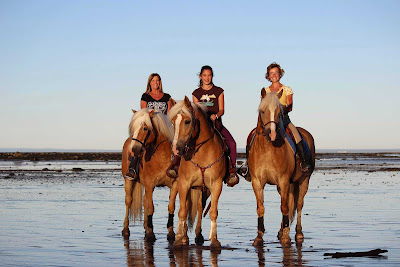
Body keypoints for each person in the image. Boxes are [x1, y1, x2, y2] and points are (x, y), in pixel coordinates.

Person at [192, 65, 239, 187]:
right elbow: (196, 111)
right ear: (200, 76)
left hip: (216, 123)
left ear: (212, 76)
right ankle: (180, 168)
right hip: (202, 124)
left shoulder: (219, 91)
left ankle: (231, 171)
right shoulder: (196, 93)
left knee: (232, 144)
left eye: (209, 75)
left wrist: (216, 116)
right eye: (205, 75)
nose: (207, 78)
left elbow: (222, 109)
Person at [264, 62, 312, 172]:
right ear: (268, 76)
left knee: (296, 134)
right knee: (254, 136)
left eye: (276, 72)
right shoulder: (265, 91)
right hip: (268, 120)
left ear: (280, 74)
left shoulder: (287, 89)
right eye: (271, 73)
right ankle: (248, 166)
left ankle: (305, 161)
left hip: (283, 119)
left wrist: (279, 109)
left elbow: (290, 106)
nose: (274, 75)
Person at [126, 73, 172, 179]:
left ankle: (177, 167)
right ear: (149, 83)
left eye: (157, 80)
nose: (155, 83)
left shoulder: (167, 96)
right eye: (153, 81)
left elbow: (169, 114)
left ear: (160, 82)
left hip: (163, 127)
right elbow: (144, 113)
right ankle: (133, 167)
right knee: (139, 142)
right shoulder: (145, 96)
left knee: (176, 143)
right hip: (150, 126)